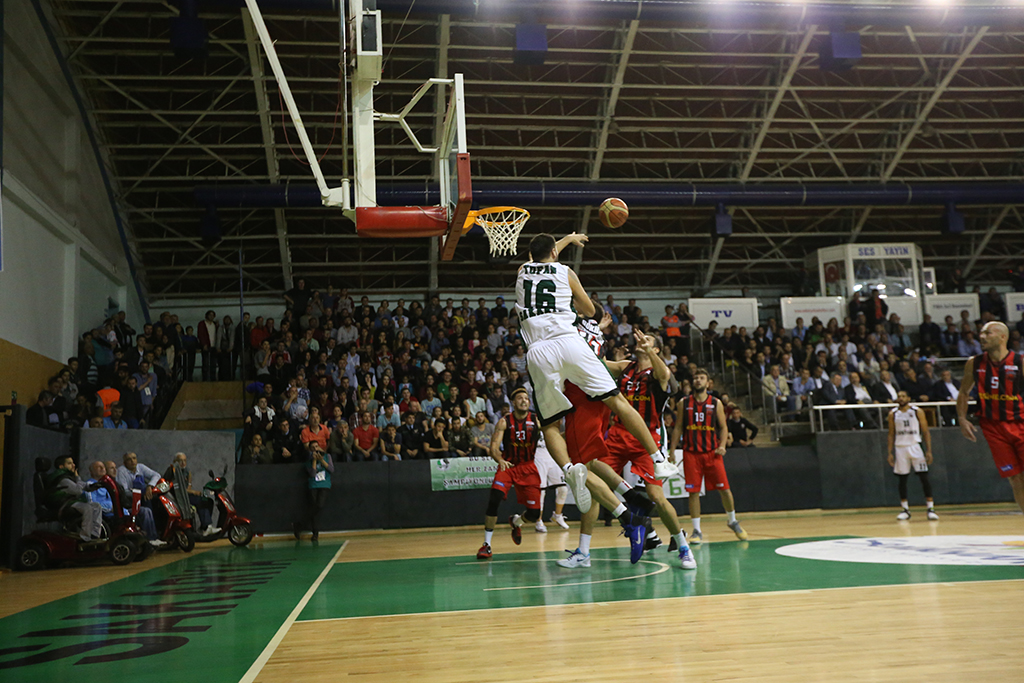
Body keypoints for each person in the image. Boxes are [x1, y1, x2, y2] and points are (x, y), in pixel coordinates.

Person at [514, 232, 666, 557]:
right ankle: (633, 496)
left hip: (567, 383)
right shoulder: (582, 311)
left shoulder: (525, 274)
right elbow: (586, 312)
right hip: (584, 379)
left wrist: (565, 240)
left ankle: (613, 523)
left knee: (570, 450)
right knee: (594, 457)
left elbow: (542, 258)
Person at [562, 332, 696, 570]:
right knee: (594, 487)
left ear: (656, 350)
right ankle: (583, 551)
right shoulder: (626, 367)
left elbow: (665, 375)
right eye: (640, 340)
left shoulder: (657, 371)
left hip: (648, 437)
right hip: (617, 434)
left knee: (655, 496)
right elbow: (595, 363)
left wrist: (653, 352)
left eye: (649, 342)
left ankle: (682, 545)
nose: (641, 342)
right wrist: (593, 335)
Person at [669, 368, 747, 544]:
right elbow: (678, 427)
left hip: (712, 453)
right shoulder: (683, 403)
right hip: (691, 453)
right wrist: (672, 450)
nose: (698, 380)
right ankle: (696, 530)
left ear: (708, 382)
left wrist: (722, 445)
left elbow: (723, 427)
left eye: (701, 378)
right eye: (695, 378)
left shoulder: (716, 403)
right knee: (693, 492)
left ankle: (732, 520)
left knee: (724, 489)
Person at [957, 321, 1024, 520]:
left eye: (988, 333)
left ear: (1003, 337)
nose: (982, 336)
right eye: (981, 333)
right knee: (1015, 479)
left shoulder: (1019, 362)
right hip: (993, 427)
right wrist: (962, 418)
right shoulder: (974, 363)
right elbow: (963, 392)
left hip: (1020, 423)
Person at [476, 388, 545, 559]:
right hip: (508, 465)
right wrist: (499, 459)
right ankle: (487, 545)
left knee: (534, 514)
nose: (523, 400)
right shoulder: (504, 421)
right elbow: (493, 447)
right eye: (519, 398)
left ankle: (516, 522)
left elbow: (553, 439)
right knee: (495, 497)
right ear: (513, 403)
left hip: (528, 468)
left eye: (526, 398)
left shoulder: (536, 420)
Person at [887, 391, 937, 521]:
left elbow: (925, 431)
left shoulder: (917, 411)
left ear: (909, 398)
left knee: (924, 477)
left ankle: (930, 508)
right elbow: (891, 434)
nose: (901, 398)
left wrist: (928, 450)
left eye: (903, 396)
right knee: (902, 479)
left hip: (915, 446)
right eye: (899, 396)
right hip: (900, 448)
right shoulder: (893, 414)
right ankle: (905, 509)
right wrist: (889, 452)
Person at [44, 456, 103, 542]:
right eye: (69, 463)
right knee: (87, 508)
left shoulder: (68, 476)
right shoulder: (62, 479)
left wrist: (92, 486)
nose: (73, 465)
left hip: (69, 501)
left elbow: (81, 485)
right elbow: (78, 490)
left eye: (73, 463)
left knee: (96, 506)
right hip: (62, 503)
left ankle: (94, 534)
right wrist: (77, 477)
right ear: (61, 467)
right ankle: (85, 537)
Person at [164, 452, 216, 533]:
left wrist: (190, 490)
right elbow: (177, 489)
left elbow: (189, 485)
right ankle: (207, 527)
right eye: (180, 461)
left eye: (185, 460)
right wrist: (193, 492)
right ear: (175, 461)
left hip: (187, 495)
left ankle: (204, 527)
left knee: (209, 501)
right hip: (179, 497)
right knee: (201, 501)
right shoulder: (172, 471)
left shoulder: (187, 471)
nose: (183, 463)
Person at [293, 441, 334, 541]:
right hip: (313, 485)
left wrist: (322, 460)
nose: (316, 449)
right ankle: (315, 533)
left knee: (318, 506)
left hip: (324, 484)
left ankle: (300, 524)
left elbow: (331, 469)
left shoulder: (327, 456)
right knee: (314, 508)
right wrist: (315, 460)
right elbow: (312, 473)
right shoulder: (308, 461)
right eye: (313, 448)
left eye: (317, 446)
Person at [532, 430, 570, 532]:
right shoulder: (532, 422)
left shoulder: (554, 422)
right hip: (538, 457)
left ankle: (557, 515)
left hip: (552, 455)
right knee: (541, 491)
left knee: (563, 488)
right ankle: (538, 521)